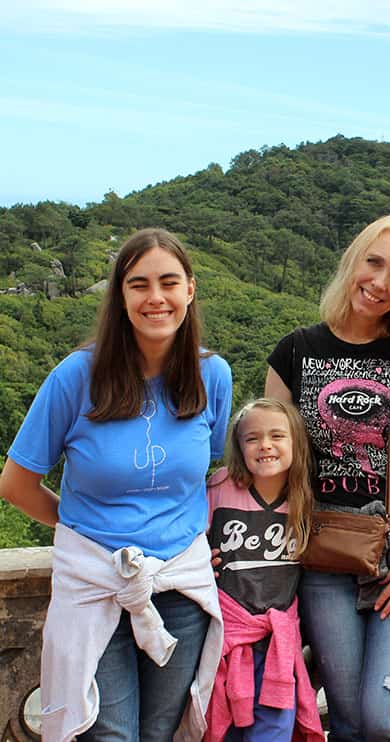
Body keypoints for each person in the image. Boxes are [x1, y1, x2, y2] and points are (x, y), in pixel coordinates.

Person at [0, 228, 233, 741]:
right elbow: (16, 483)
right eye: (139, 284)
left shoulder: (211, 376)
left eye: (169, 282)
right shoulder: (75, 377)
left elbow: (202, 475)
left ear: (190, 290)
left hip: (180, 582)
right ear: (121, 296)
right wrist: (86, 530)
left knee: (160, 731)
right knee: (110, 734)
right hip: (94, 582)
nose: (156, 298)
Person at [264, 213, 390, 741]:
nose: (380, 283)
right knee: (351, 718)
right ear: (353, 261)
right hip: (326, 546)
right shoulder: (295, 351)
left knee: (384, 713)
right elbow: (267, 461)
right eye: (374, 263)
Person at [205, 398, 324, 741]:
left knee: (274, 728)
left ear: (296, 442)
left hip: (277, 642)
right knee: (222, 724)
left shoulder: (306, 497)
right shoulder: (219, 487)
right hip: (225, 639)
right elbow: (190, 538)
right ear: (238, 446)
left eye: (277, 436)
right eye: (252, 438)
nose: (265, 445)